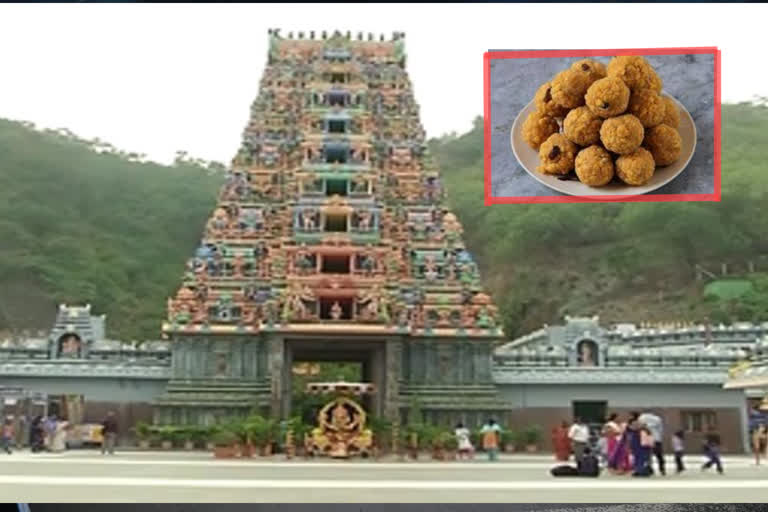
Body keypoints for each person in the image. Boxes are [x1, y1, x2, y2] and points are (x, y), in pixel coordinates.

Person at [638, 409, 666, 476]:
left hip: (645, 438)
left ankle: (649, 469)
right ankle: (662, 469)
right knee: (659, 455)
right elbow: (661, 429)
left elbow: (639, 428)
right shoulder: (657, 418)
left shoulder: (641, 418)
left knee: (647, 455)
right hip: (656, 438)